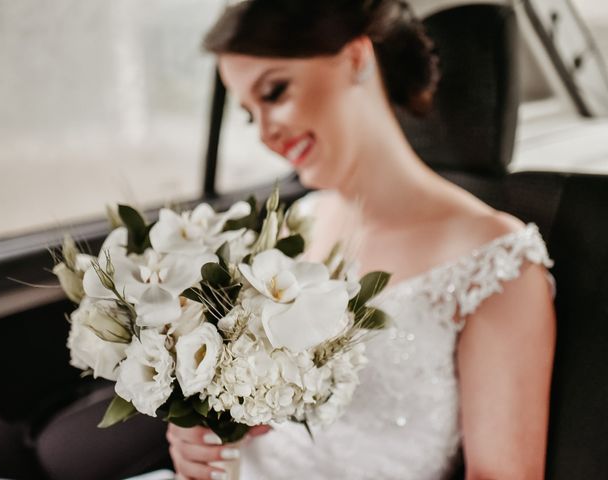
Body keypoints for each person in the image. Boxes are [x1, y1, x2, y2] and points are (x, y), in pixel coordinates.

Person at [166, 1, 556, 478]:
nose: (266, 134)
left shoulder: (499, 263)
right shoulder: (294, 226)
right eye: (250, 115)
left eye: (274, 92)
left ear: (355, 59)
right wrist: (203, 433)